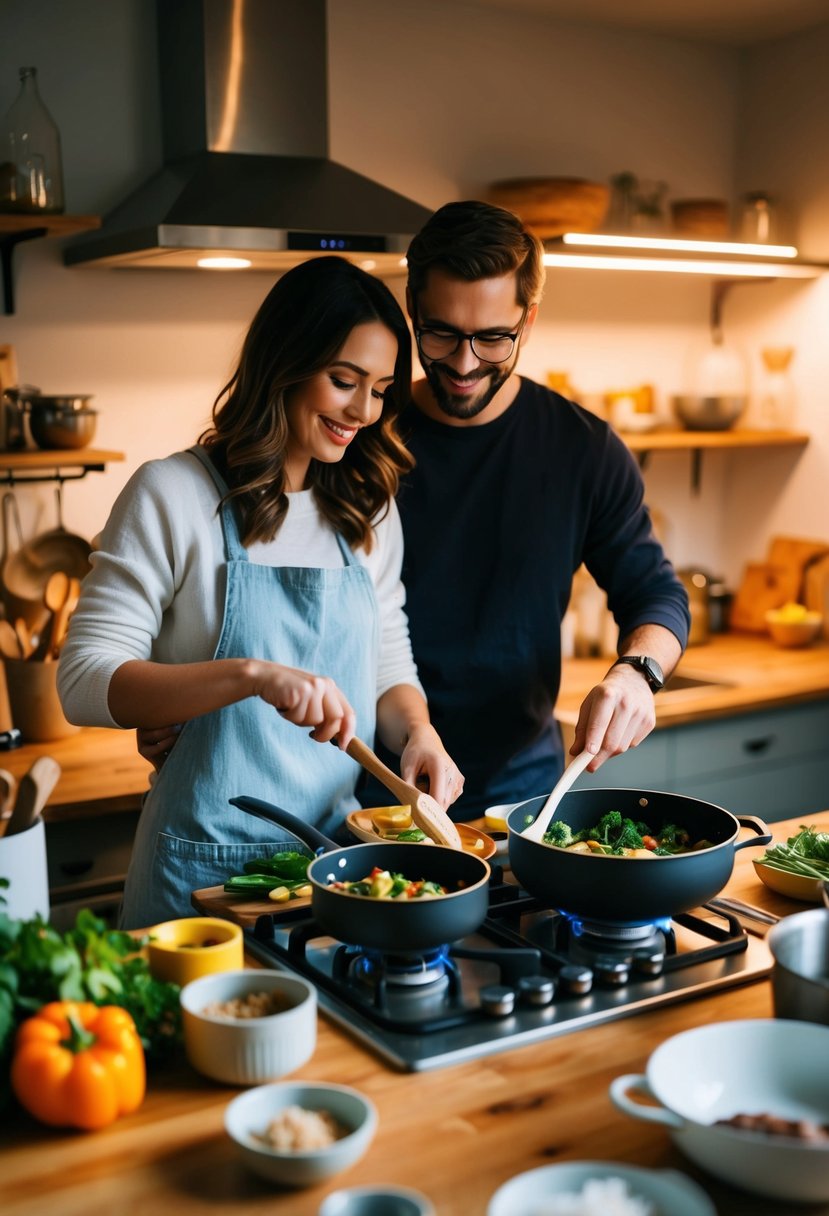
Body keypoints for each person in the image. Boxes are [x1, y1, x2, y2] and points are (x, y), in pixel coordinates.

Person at [57, 256, 464, 928]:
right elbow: (83, 682)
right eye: (344, 381)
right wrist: (251, 677)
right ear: (285, 364)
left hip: (338, 866)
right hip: (200, 872)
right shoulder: (174, 495)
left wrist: (417, 732)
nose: (364, 410)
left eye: (382, 389)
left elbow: (386, 656)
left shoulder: (368, 508)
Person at [362, 199, 690, 818]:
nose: (463, 364)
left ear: (529, 321)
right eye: (441, 333)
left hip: (521, 792)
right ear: (412, 312)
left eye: (491, 338)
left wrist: (635, 674)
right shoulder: (361, 436)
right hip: (369, 788)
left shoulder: (583, 449)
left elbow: (656, 595)